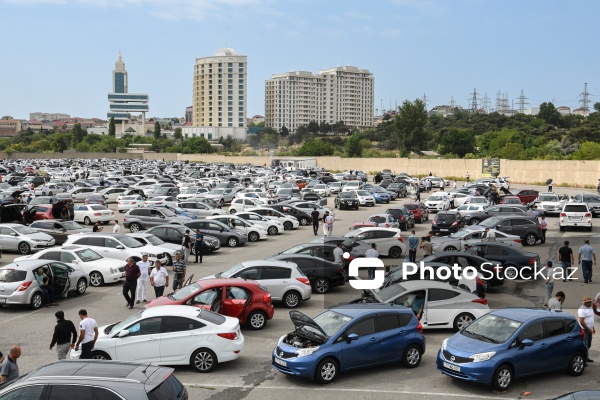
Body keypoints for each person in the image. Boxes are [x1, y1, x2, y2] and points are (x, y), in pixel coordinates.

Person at [578, 296, 595, 362]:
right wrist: (588, 329)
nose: (590, 303)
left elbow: (591, 318)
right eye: (589, 302)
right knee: (585, 345)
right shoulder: (582, 309)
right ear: (585, 303)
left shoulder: (589, 308)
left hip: (589, 329)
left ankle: (586, 357)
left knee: (589, 344)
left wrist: (593, 327)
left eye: (590, 302)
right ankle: (584, 360)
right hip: (584, 330)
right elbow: (581, 321)